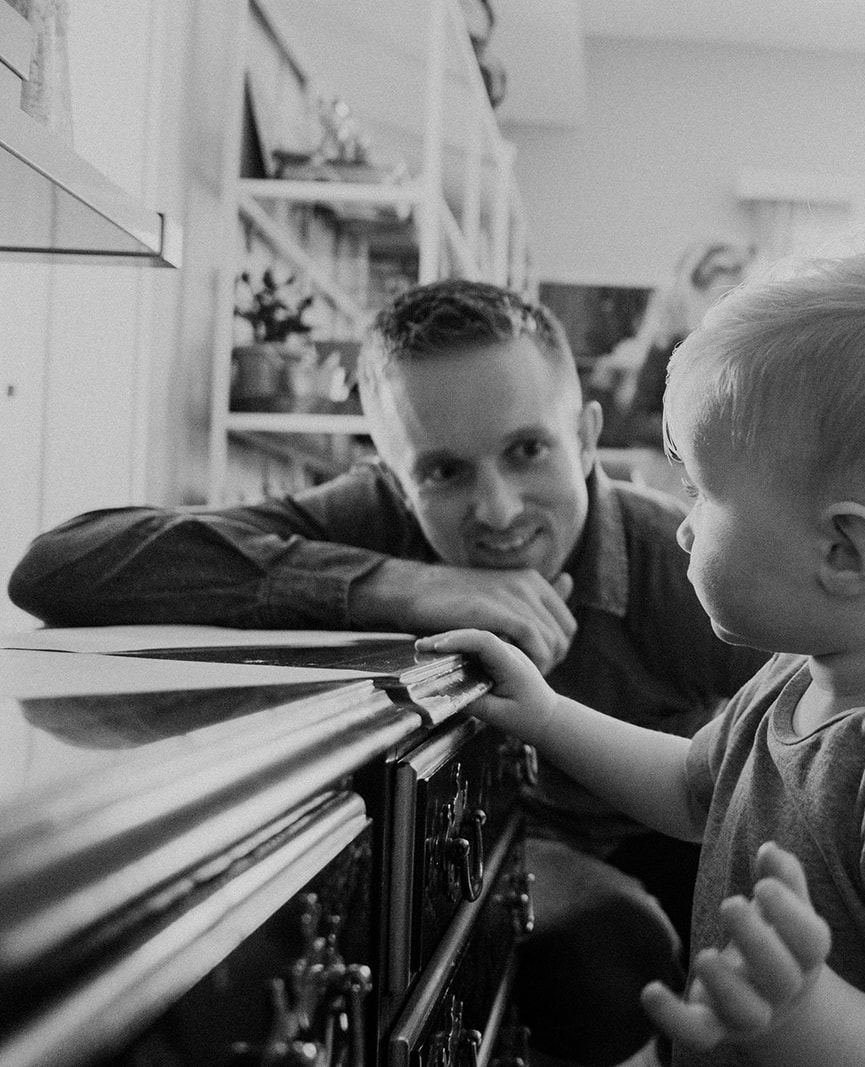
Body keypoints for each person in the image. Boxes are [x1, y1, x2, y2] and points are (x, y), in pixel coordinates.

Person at [7, 279, 770, 1067]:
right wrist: (405, 584)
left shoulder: (685, 562)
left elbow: (827, 724)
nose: (499, 510)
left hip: (648, 857)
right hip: (460, 875)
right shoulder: (377, 517)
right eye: (444, 472)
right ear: (397, 475)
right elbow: (60, 566)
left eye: (527, 449)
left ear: (584, 435)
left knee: (619, 945)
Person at [418, 232, 865, 1067]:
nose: (683, 520)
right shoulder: (805, 678)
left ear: (844, 550)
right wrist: (548, 715)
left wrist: (803, 1013)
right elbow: (693, 789)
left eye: (705, 491)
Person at [589, 241, 755, 447]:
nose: (728, 311)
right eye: (720, 299)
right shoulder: (668, 348)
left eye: (735, 299)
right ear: (698, 296)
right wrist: (694, 431)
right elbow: (636, 422)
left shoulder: (749, 354)